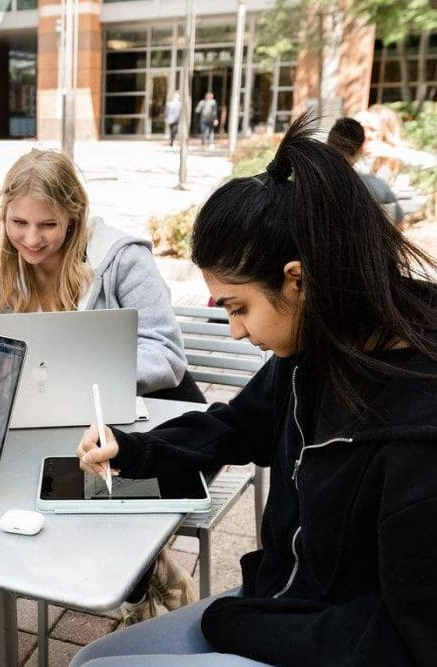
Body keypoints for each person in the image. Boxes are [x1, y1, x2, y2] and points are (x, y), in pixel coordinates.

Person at [72, 112, 437, 666]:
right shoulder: (320, 340)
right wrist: (136, 449)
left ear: (298, 279)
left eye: (240, 308)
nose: (237, 331)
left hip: (326, 640)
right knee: (88, 661)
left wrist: (239, 625)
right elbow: (241, 424)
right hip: (276, 604)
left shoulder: (416, 434)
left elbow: (402, 635)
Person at [0, 149, 198, 624]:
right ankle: (139, 578)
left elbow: (167, 356)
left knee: (82, 491)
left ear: (75, 213)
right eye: (18, 222)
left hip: (160, 421)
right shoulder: (13, 266)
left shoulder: (120, 259)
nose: (30, 238)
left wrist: (79, 373)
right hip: (75, 421)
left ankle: (138, 586)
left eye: (47, 224)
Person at [327, 116, 404, 224]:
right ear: (362, 147)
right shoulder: (377, 186)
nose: (373, 136)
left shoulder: (308, 179)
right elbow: (397, 226)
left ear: (328, 142)